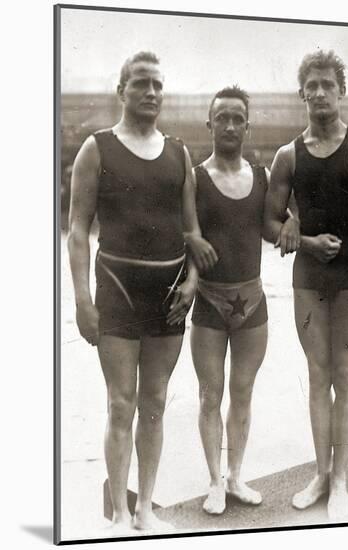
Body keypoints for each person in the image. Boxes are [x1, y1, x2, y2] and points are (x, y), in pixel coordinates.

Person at [67, 51, 216, 533]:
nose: (151, 92)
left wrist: (193, 281)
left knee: (154, 402)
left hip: (169, 292)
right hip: (116, 288)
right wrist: (81, 301)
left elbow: (192, 230)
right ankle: (120, 513)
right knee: (120, 404)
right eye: (141, 84)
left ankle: (147, 506)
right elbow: (76, 231)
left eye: (157, 84)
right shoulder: (97, 148)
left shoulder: (178, 153)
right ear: (122, 91)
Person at [264, 50, 348, 520]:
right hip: (309, 280)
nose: (319, 92)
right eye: (311, 85)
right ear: (301, 93)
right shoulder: (286, 155)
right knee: (318, 377)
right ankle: (321, 474)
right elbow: (268, 221)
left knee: (345, 375)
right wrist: (295, 233)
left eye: (327, 84)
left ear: (341, 91)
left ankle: (341, 480)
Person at [188, 86, 296, 515]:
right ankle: (214, 482)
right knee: (209, 395)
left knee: (244, 392)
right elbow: (182, 231)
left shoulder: (263, 176)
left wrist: (294, 222)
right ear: (209, 123)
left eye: (238, 118)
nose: (230, 125)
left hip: (253, 301)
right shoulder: (194, 177)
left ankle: (236, 476)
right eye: (222, 117)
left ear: (248, 127)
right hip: (210, 303)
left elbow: (276, 223)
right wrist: (190, 243)